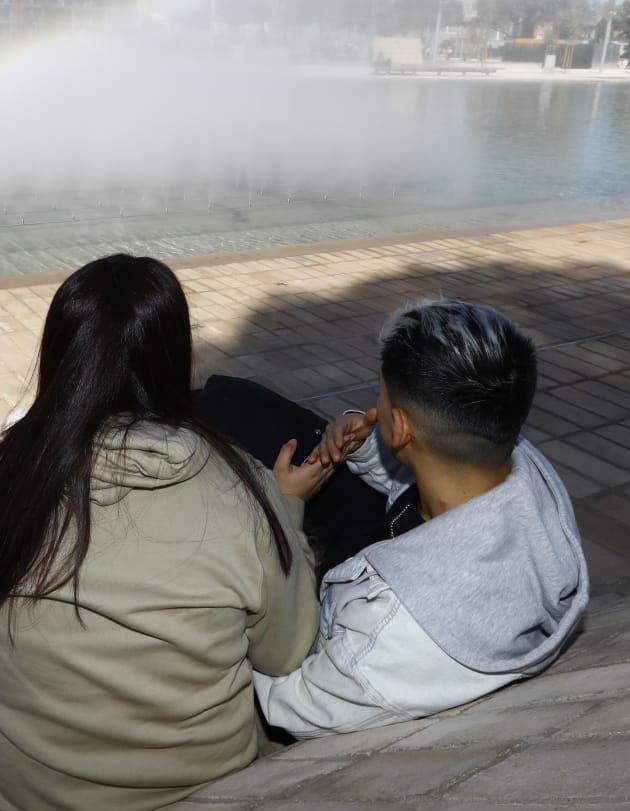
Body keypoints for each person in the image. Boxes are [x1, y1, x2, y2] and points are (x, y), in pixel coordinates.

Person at [0, 254, 322, 811]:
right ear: (173, 358)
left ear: (60, 357)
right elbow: (288, 649)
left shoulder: (6, 473)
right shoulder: (243, 488)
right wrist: (285, 508)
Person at [221, 300, 589, 737]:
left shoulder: (389, 634)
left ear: (399, 428)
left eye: (380, 393)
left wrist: (280, 515)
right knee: (231, 401)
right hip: (401, 556)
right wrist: (362, 446)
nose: (372, 404)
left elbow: (291, 704)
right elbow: (414, 481)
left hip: (347, 617)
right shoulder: (504, 454)